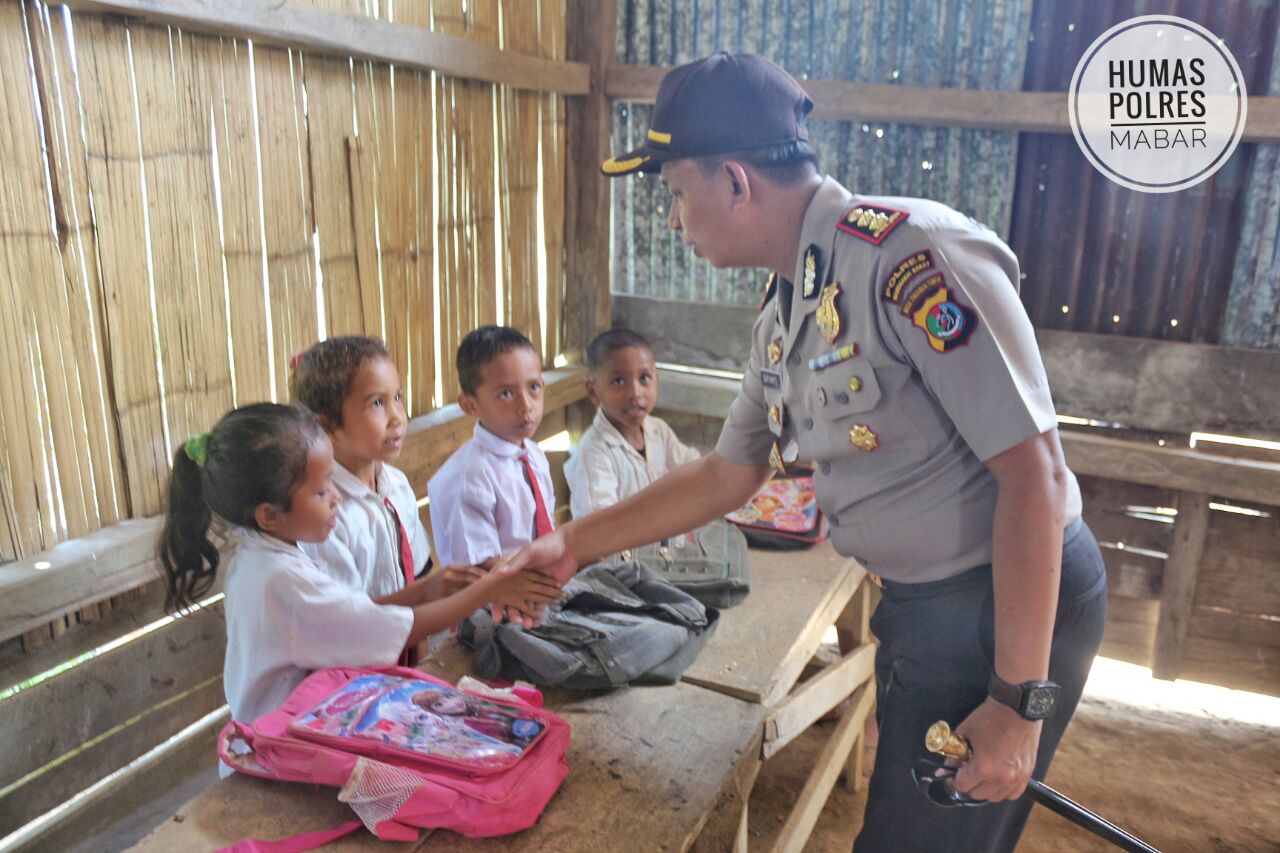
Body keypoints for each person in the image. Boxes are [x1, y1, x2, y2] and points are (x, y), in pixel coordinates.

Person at [500, 53, 1107, 852]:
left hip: (1002, 607)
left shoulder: (910, 259)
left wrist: (1018, 700)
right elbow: (728, 472)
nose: (675, 221)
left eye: (677, 194)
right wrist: (571, 544)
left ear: (735, 182)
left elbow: (1035, 476)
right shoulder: (789, 306)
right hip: (932, 609)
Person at [158, 402, 560, 774]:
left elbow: (349, 615)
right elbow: (391, 628)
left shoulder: (262, 556)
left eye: (332, 482)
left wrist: (430, 589)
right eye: (321, 491)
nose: (335, 498)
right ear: (269, 515)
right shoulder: (278, 579)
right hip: (277, 758)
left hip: (287, 734)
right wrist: (488, 590)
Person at [291, 336, 482, 602]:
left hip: (406, 636)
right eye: (377, 403)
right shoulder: (325, 516)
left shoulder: (397, 485)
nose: (397, 417)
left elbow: (418, 583)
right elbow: (344, 619)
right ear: (325, 425)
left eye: (397, 398)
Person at [428, 326, 556, 569]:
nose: (526, 405)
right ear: (470, 406)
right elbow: (479, 565)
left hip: (540, 582)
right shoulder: (472, 477)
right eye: (506, 393)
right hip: (491, 597)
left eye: (534, 387)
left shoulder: (534, 456)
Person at [564, 328, 700, 519]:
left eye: (644, 378)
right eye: (619, 381)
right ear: (594, 392)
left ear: (656, 382)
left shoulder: (658, 430)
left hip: (658, 541)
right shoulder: (593, 453)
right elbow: (601, 525)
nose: (635, 393)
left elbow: (692, 469)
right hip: (615, 547)